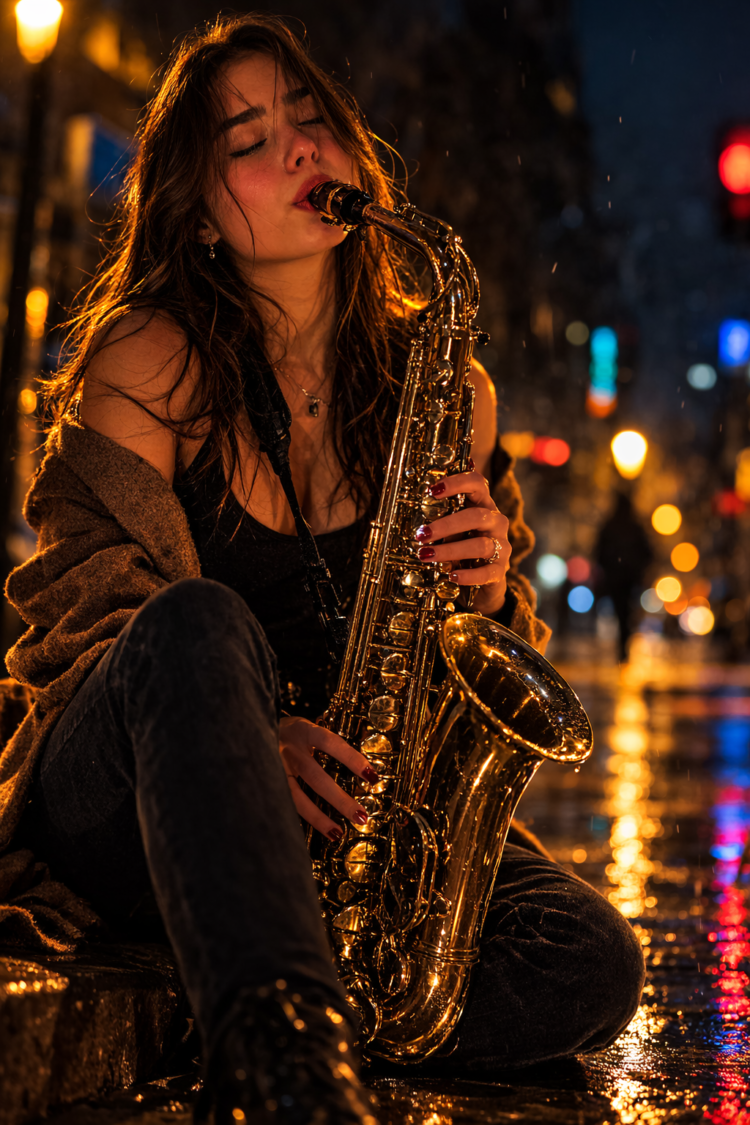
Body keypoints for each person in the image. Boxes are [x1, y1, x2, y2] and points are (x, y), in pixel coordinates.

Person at [1, 14, 645, 1124]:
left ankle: (264, 994)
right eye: (250, 138)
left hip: (342, 841)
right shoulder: (143, 361)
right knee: (199, 622)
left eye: (312, 119)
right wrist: (249, 741)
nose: (300, 148)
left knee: (590, 955)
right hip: (130, 801)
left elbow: (469, 698)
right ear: (199, 211)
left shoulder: (452, 394)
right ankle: (287, 1067)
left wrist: (487, 592)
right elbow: (88, 632)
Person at [595, 491, 653, 662]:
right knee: (626, 612)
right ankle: (624, 646)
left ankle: (622, 646)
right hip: (629, 578)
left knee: (621, 612)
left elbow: (599, 552)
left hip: (616, 578)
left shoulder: (610, 525)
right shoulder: (635, 527)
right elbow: (648, 553)